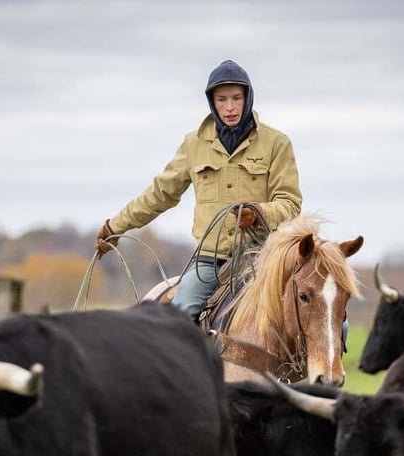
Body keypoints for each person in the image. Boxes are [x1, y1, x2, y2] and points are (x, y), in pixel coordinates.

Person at [95, 59, 302, 322]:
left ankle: (326, 364)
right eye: (222, 99)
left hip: (264, 258)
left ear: (247, 98)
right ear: (212, 102)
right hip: (208, 264)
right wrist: (115, 226)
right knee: (180, 320)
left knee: (327, 320)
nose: (230, 107)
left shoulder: (277, 143)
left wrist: (259, 213)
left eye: (236, 98)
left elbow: (290, 204)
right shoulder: (193, 144)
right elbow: (160, 194)